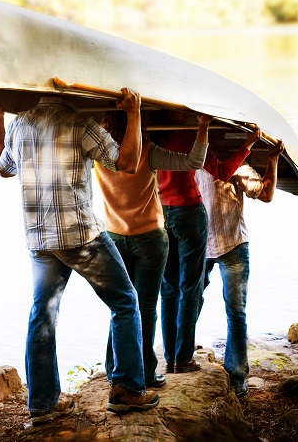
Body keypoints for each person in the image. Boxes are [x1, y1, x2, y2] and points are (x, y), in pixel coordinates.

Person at [0, 88, 160, 424]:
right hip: (79, 236)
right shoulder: (81, 123)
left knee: (42, 314)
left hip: (39, 238)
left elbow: (2, 167)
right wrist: (134, 113)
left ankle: (43, 404)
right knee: (125, 302)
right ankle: (127, 389)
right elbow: (128, 163)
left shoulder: (20, 126)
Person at [94, 110, 212, 390]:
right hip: (149, 238)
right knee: (145, 307)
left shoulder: (98, 154)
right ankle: (145, 372)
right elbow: (194, 160)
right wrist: (204, 127)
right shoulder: (147, 151)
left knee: (120, 305)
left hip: (114, 236)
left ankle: (114, 369)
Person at [153, 118, 261, 375]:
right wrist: (246, 145)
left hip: (161, 212)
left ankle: (169, 357)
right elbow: (223, 172)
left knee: (168, 289)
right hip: (188, 212)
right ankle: (183, 358)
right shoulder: (191, 133)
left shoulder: (152, 134)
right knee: (190, 288)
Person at [195, 138, 285, 397]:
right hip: (209, 244)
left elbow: (265, 194)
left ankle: (230, 374)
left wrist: (272, 158)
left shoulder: (193, 160)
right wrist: (272, 157)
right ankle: (233, 378)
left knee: (196, 303)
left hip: (222, 243)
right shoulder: (226, 162)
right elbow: (267, 194)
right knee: (232, 312)